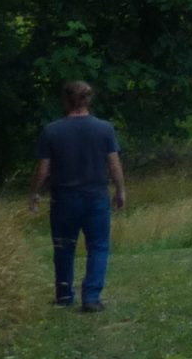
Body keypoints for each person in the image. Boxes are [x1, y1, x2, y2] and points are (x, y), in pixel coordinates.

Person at [32, 80, 125, 312]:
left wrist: (34, 193)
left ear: (65, 101)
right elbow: (114, 164)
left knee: (63, 247)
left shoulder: (51, 130)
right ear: (88, 100)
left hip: (63, 197)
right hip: (95, 195)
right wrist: (120, 190)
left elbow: (43, 169)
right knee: (98, 246)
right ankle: (91, 297)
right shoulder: (104, 128)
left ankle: (64, 295)